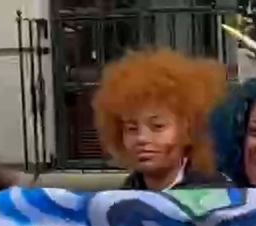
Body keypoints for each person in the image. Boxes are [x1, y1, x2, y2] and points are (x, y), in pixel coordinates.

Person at [91, 49, 230, 190]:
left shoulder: (219, 197)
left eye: (157, 126)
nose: (142, 138)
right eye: (131, 129)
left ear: (189, 129)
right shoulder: (119, 200)